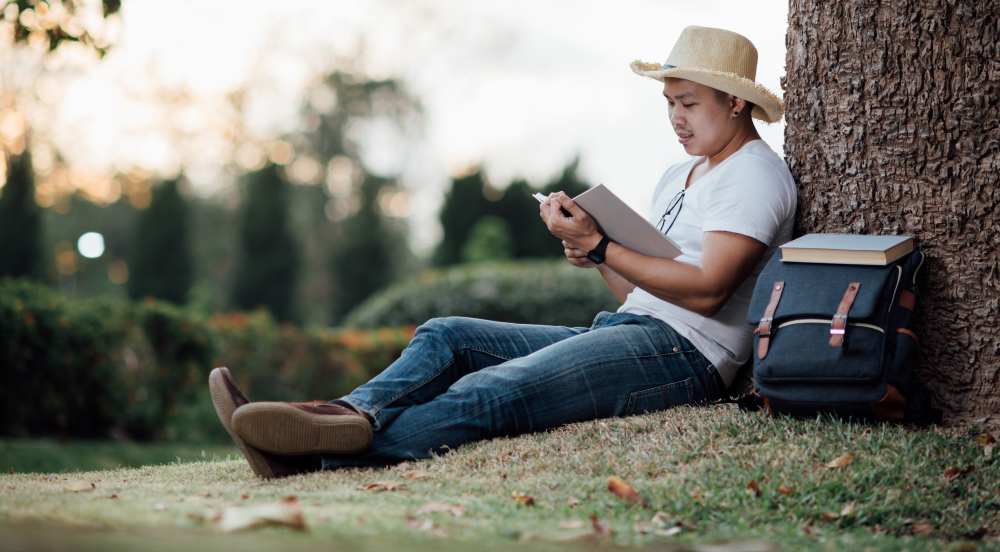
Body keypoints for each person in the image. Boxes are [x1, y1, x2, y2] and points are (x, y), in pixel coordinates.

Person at [210, 25, 797, 480]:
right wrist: (594, 254)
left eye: (689, 103)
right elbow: (644, 293)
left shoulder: (753, 176)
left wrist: (602, 244)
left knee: (493, 393)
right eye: (669, 102)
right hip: (634, 328)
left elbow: (710, 288)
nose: (675, 117)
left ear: (735, 102)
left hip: (685, 358)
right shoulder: (678, 174)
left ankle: (303, 454)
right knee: (446, 336)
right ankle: (343, 417)